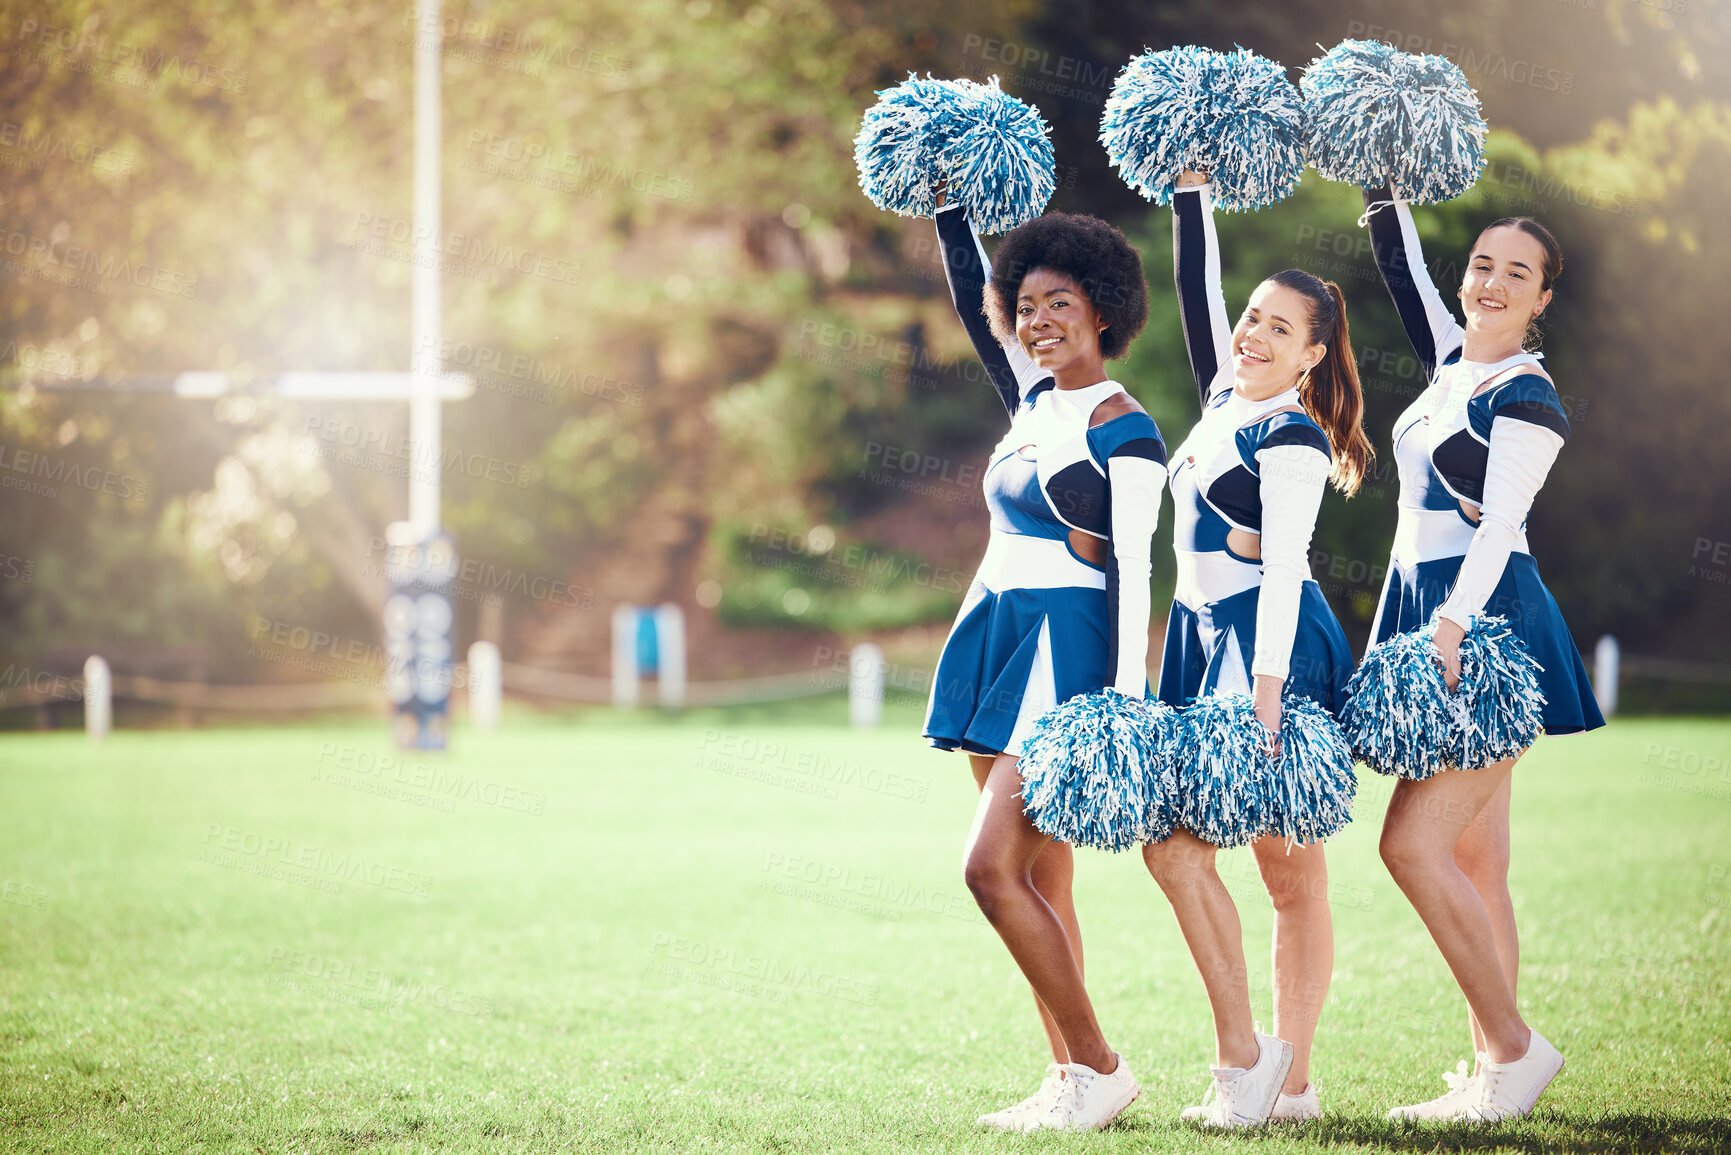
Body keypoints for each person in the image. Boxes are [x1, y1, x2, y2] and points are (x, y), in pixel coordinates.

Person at [1356, 180, 1604, 1122]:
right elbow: (1400, 268)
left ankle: (1512, 1046)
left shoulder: (1526, 392)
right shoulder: (1449, 366)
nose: (1492, 283)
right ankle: (1492, 1076)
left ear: (1543, 299)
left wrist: (1451, 626)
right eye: (1482, 266)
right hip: (1429, 608)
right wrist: (1381, 179)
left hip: (1486, 622)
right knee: (1474, 859)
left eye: (1519, 274)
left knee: (1409, 844)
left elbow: (1501, 526)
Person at [924, 186, 1164, 1132]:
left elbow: (1140, 571)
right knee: (1039, 879)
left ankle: (1100, 1066)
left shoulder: (1122, 425)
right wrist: (947, 206)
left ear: (1103, 309)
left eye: (1058, 302)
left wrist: (1126, 706)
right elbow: (968, 292)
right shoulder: (1029, 397)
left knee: (988, 871)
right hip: (994, 631)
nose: (1036, 320)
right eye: (1024, 306)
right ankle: (1068, 1075)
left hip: (1063, 657)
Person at [1142, 172, 1371, 1128]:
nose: (1253, 333)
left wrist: (1267, 694)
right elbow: (1198, 299)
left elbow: (1282, 570)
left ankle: (1286, 1079)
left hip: (1263, 652)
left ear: (1313, 354)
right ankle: (1263, 1069)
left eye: (1280, 327)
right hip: (1196, 647)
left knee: (1283, 869)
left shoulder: (1290, 438)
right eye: (1253, 317)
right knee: (1179, 849)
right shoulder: (1219, 403)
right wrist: (1190, 192)